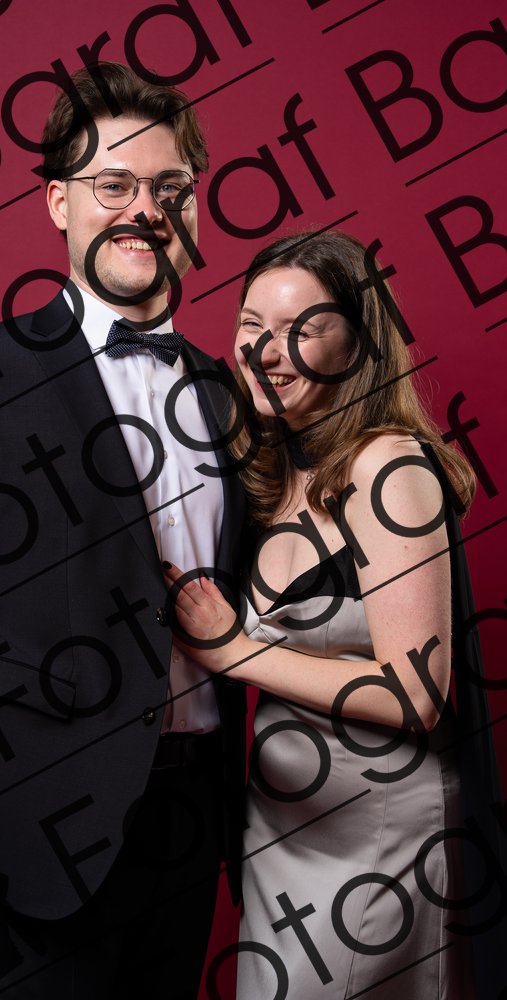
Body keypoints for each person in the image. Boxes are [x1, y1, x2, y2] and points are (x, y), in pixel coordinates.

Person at [0, 62, 246, 999]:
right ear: (58, 203)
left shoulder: (226, 390)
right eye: (113, 185)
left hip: (192, 815)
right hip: (34, 825)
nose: (144, 210)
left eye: (169, 188)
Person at [164, 229, 506, 998]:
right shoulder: (268, 469)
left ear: (357, 342)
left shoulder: (388, 465)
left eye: (300, 329)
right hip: (280, 833)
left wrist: (233, 651)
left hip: (377, 835)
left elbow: (415, 694)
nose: (266, 352)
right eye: (251, 326)